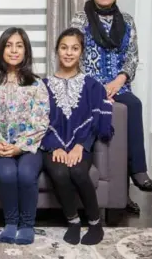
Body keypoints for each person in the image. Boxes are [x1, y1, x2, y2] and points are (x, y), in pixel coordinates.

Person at [70, 0, 152, 215]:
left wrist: (119, 81)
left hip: (119, 85)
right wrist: (98, 87)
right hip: (90, 86)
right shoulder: (80, 19)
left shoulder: (127, 21)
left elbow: (132, 57)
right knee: (108, 116)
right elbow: (73, 56)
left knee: (133, 105)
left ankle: (135, 176)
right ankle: (118, 193)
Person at [41, 27, 114, 245]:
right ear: (57, 51)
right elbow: (38, 123)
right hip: (51, 145)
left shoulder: (92, 85)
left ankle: (94, 223)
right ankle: (73, 222)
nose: (69, 53)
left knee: (80, 172)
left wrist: (81, 145)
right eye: (64, 48)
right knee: (60, 172)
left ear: (81, 52)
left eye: (74, 48)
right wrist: (55, 146)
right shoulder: (43, 86)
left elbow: (95, 122)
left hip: (81, 145)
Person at [0, 27, 50, 245]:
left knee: (25, 173)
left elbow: (41, 121)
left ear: (26, 51)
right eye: (8, 45)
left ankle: (27, 225)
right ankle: (11, 223)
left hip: (29, 147)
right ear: (1, 50)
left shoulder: (37, 84)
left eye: (19, 45)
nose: (13, 50)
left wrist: (20, 146)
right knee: (7, 174)